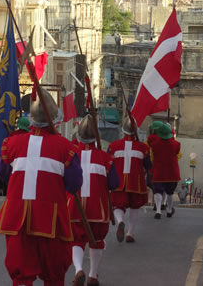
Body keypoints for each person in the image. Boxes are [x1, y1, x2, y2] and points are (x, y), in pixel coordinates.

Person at [0, 88, 83, 286]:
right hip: (51, 219)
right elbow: (74, 183)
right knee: (54, 272)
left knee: (21, 270)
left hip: (17, 218)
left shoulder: (11, 144)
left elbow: (2, 173)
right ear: (54, 120)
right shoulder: (66, 147)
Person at [67, 115, 118, 286]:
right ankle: (93, 275)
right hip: (99, 209)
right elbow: (114, 184)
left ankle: (78, 269)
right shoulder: (106, 158)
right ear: (96, 137)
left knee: (76, 240)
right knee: (97, 241)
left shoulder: (71, 155)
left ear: (78, 136)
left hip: (75, 207)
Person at [108, 116, 151, 243]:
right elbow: (148, 166)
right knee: (134, 207)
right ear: (136, 131)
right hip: (135, 183)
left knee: (117, 206)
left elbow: (108, 163)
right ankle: (130, 234)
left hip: (118, 182)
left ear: (123, 130)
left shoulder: (113, 146)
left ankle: (120, 221)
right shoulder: (143, 148)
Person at [148, 123, 181, 219]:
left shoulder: (154, 145)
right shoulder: (176, 144)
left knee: (158, 191)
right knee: (170, 192)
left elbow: (152, 155)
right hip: (172, 171)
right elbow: (177, 153)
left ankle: (158, 210)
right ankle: (169, 210)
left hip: (159, 171)